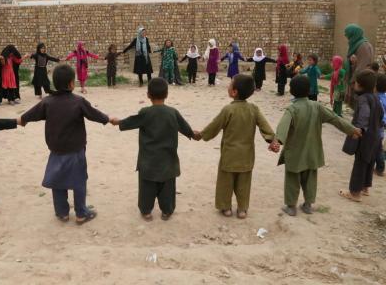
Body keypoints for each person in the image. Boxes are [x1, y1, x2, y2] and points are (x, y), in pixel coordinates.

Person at [20, 64, 114, 224]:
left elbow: (31, 114)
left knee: (58, 181)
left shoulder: (47, 102)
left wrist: (22, 119)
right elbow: (94, 114)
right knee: (79, 181)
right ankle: (81, 213)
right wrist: (109, 119)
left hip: (56, 150)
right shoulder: (78, 101)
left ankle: (62, 213)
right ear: (71, 83)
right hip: (75, 150)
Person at [111, 78, 195, 221]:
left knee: (146, 188)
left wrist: (117, 122)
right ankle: (167, 211)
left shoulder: (145, 112)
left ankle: (146, 211)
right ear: (167, 94)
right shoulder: (172, 112)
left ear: (148, 95)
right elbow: (186, 128)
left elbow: (131, 121)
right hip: (168, 161)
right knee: (167, 188)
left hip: (148, 161)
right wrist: (195, 134)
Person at [196, 74, 278, 219]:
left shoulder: (228, 110)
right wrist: (272, 140)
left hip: (229, 155)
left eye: (230, 84)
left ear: (234, 92)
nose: (228, 86)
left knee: (225, 183)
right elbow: (265, 127)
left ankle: (226, 208)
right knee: (243, 184)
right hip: (247, 155)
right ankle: (242, 209)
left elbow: (215, 126)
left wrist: (201, 135)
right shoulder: (254, 109)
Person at [276, 76, 360, 216]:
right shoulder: (317, 107)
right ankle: (308, 205)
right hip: (312, 152)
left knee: (292, 179)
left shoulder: (291, 109)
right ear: (309, 90)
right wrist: (351, 130)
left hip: (295, 154)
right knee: (310, 179)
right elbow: (335, 118)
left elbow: (283, 127)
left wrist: (277, 141)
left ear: (291, 91)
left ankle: (291, 207)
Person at [340, 70, 383, 202]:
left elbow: (364, 115)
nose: (354, 85)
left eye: (356, 83)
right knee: (369, 161)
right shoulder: (376, 97)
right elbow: (381, 114)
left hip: (365, 136)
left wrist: (358, 130)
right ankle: (365, 188)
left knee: (360, 162)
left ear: (361, 85)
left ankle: (354, 193)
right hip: (376, 135)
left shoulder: (363, 98)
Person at [344, 24, 374, 109]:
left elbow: (363, 65)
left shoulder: (363, 46)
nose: (346, 36)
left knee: (360, 106)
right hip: (357, 78)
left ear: (353, 34)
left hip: (360, 81)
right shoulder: (357, 44)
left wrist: (354, 80)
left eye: (348, 34)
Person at [374, 74, 386, 177]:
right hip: (381, 128)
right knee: (378, 147)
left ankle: (380, 168)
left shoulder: (376, 98)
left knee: (378, 149)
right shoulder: (384, 96)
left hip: (377, 126)